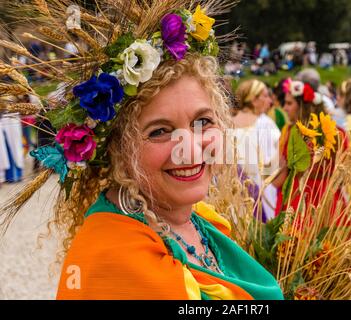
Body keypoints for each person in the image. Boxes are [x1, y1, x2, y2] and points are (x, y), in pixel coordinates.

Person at [0, 1, 283, 300]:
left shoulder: (197, 219)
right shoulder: (113, 259)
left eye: (203, 121)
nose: (189, 148)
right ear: (119, 148)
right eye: (159, 131)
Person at [272, 78, 347, 220]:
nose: (285, 108)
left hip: (297, 202)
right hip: (329, 201)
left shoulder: (290, 133)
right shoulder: (339, 133)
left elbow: (278, 180)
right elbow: (345, 175)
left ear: (303, 106)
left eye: (289, 103)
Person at [233, 79, 281, 221]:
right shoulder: (264, 122)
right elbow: (273, 163)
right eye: (265, 96)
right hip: (262, 191)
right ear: (253, 100)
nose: (270, 101)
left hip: (236, 193)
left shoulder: (228, 122)